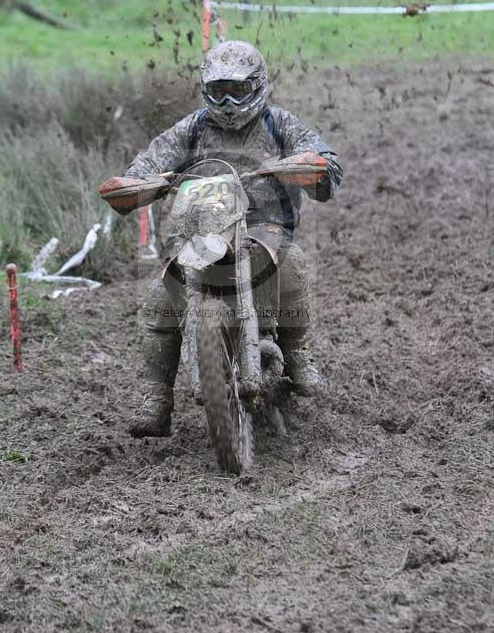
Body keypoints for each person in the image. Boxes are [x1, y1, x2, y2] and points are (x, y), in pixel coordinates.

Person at [107, 41, 342, 437]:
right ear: (204, 90)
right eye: (219, 92)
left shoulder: (279, 124)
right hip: (202, 229)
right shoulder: (193, 128)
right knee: (163, 293)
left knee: (293, 264)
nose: (229, 102)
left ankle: (297, 350)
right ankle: (156, 395)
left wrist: (309, 166)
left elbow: (324, 159)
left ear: (258, 86)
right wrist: (139, 182)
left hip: (263, 226)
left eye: (237, 90)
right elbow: (149, 161)